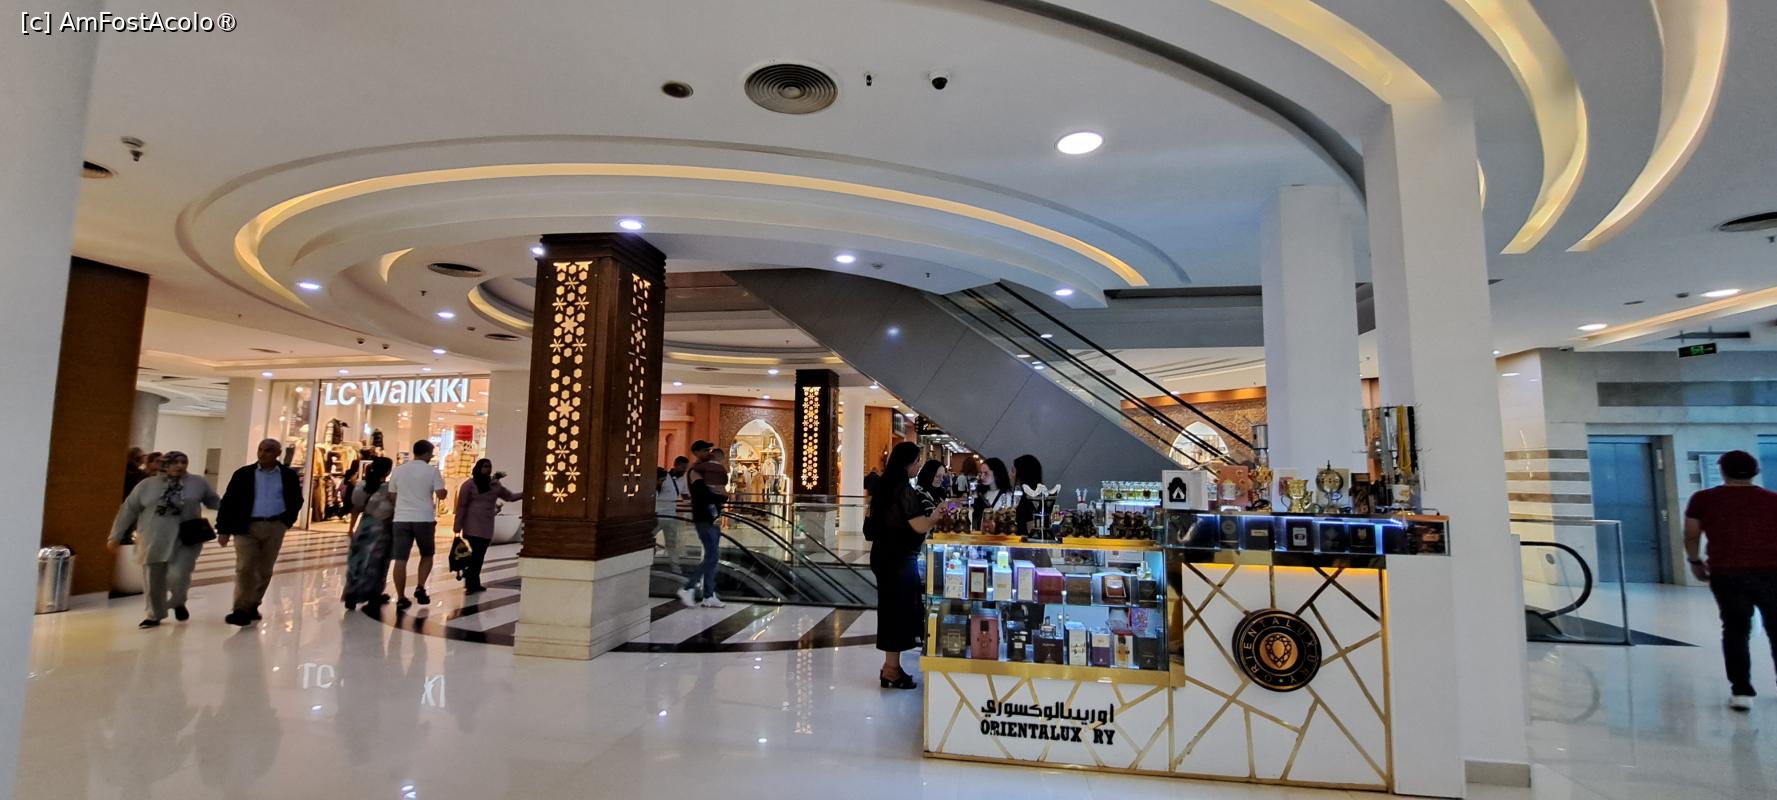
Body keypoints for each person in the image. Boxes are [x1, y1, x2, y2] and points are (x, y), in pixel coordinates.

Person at [1683, 450, 1777, 711]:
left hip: (1727, 572)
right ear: (1756, 471)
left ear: (1722, 471)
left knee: (1735, 630)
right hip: (1771, 571)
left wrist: (1695, 561)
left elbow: (1691, 534)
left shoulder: (1703, 499)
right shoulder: (1772, 500)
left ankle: (1741, 692)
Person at [109, 451, 219, 628]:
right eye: (175, 462)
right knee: (153, 578)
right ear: (165, 464)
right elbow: (128, 509)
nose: (180, 466)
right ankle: (154, 615)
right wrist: (115, 535)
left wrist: (233, 518)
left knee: (179, 574)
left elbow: (214, 501)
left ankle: (178, 601)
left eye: (183, 462)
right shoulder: (147, 485)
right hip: (153, 537)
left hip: (186, 537)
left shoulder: (197, 483)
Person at [869, 442, 937, 689]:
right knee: (898, 612)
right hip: (898, 559)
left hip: (883, 556)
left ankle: (891, 667)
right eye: (917, 461)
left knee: (891, 611)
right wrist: (937, 516)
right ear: (907, 463)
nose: (919, 465)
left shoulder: (883, 486)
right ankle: (891, 670)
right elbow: (919, 525)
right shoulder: (903, 490)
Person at [217, 438, 303, 626]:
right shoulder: (243, 474)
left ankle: (253, 603)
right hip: (246, 526)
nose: (263, 454)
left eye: (268, 450)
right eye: (260, 449)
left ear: (278, 453)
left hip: (274, 526)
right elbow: (229, 501)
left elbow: (296, 499)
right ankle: (241, 608)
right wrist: (223, 529)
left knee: (264, 569)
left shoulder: (288, 475)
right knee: (245, 566)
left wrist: (286, 521)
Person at [388, 440, 449, 609]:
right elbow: (441, 494)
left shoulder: (398, 470)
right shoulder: (432, 471)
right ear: (427, 453)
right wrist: (443, 491)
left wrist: (401, 506)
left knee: (400, 559)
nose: (432, 456)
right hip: (424, 518)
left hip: (401, 519)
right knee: (427, 554)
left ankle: (401, 597)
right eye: (431, 453)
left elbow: (391, 495)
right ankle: (420, 587)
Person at [453, 458, 521, 594]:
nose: (488, 469)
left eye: (489, 466)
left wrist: (527, 493)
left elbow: (510, 497)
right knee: (475, 555)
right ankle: (471, 584)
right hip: (472, 525)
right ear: (478, 468)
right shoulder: (469, 485)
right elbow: (462, 506)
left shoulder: (494, 485)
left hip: (486, 526)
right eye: (485, 466)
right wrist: (457, 525)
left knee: (479, 556)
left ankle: (474, 582)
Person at [677, 448, 729, 608]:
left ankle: (709, 595)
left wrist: (720, 496)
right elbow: (703, 494)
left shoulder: (706, 472)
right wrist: (721, 496)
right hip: (704, 518)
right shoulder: (696, 472)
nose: (708, 453)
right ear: (697, 452)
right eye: (705, 450)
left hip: (712, 518)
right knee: (712, 556)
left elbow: (717, 494)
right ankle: (688, 587)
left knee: (712, 556)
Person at [342, 457, 395, 610]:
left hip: (365, 526)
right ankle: (373, 594)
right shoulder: (389, 489)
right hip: (383, 528)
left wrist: (351, 528)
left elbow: (356, 509)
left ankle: (352, 593)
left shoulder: (362, 486)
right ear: (388, 471)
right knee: (378, 562)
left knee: (358, 560)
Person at [657, 456, 692, 567]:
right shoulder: (664, 477)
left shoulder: (683, 479)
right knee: (649, 538)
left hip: (671, 516)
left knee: (672, 542)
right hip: (658, 515)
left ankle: (674, 566)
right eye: (682, 467)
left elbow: (685, 495)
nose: (684, 470)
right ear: (675, 465)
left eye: (685, 468)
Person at [973, 457, 1014, 529]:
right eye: (981, 473)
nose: (982, 477)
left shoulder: (1007, 495)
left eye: (986, 473)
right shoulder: (980, 493)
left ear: (996, 473)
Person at [1012, 454, 1045, 538]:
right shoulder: (1035, 496)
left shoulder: (1030, 499)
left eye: (1013, 471)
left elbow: (1033, 532)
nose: (1010, 475)